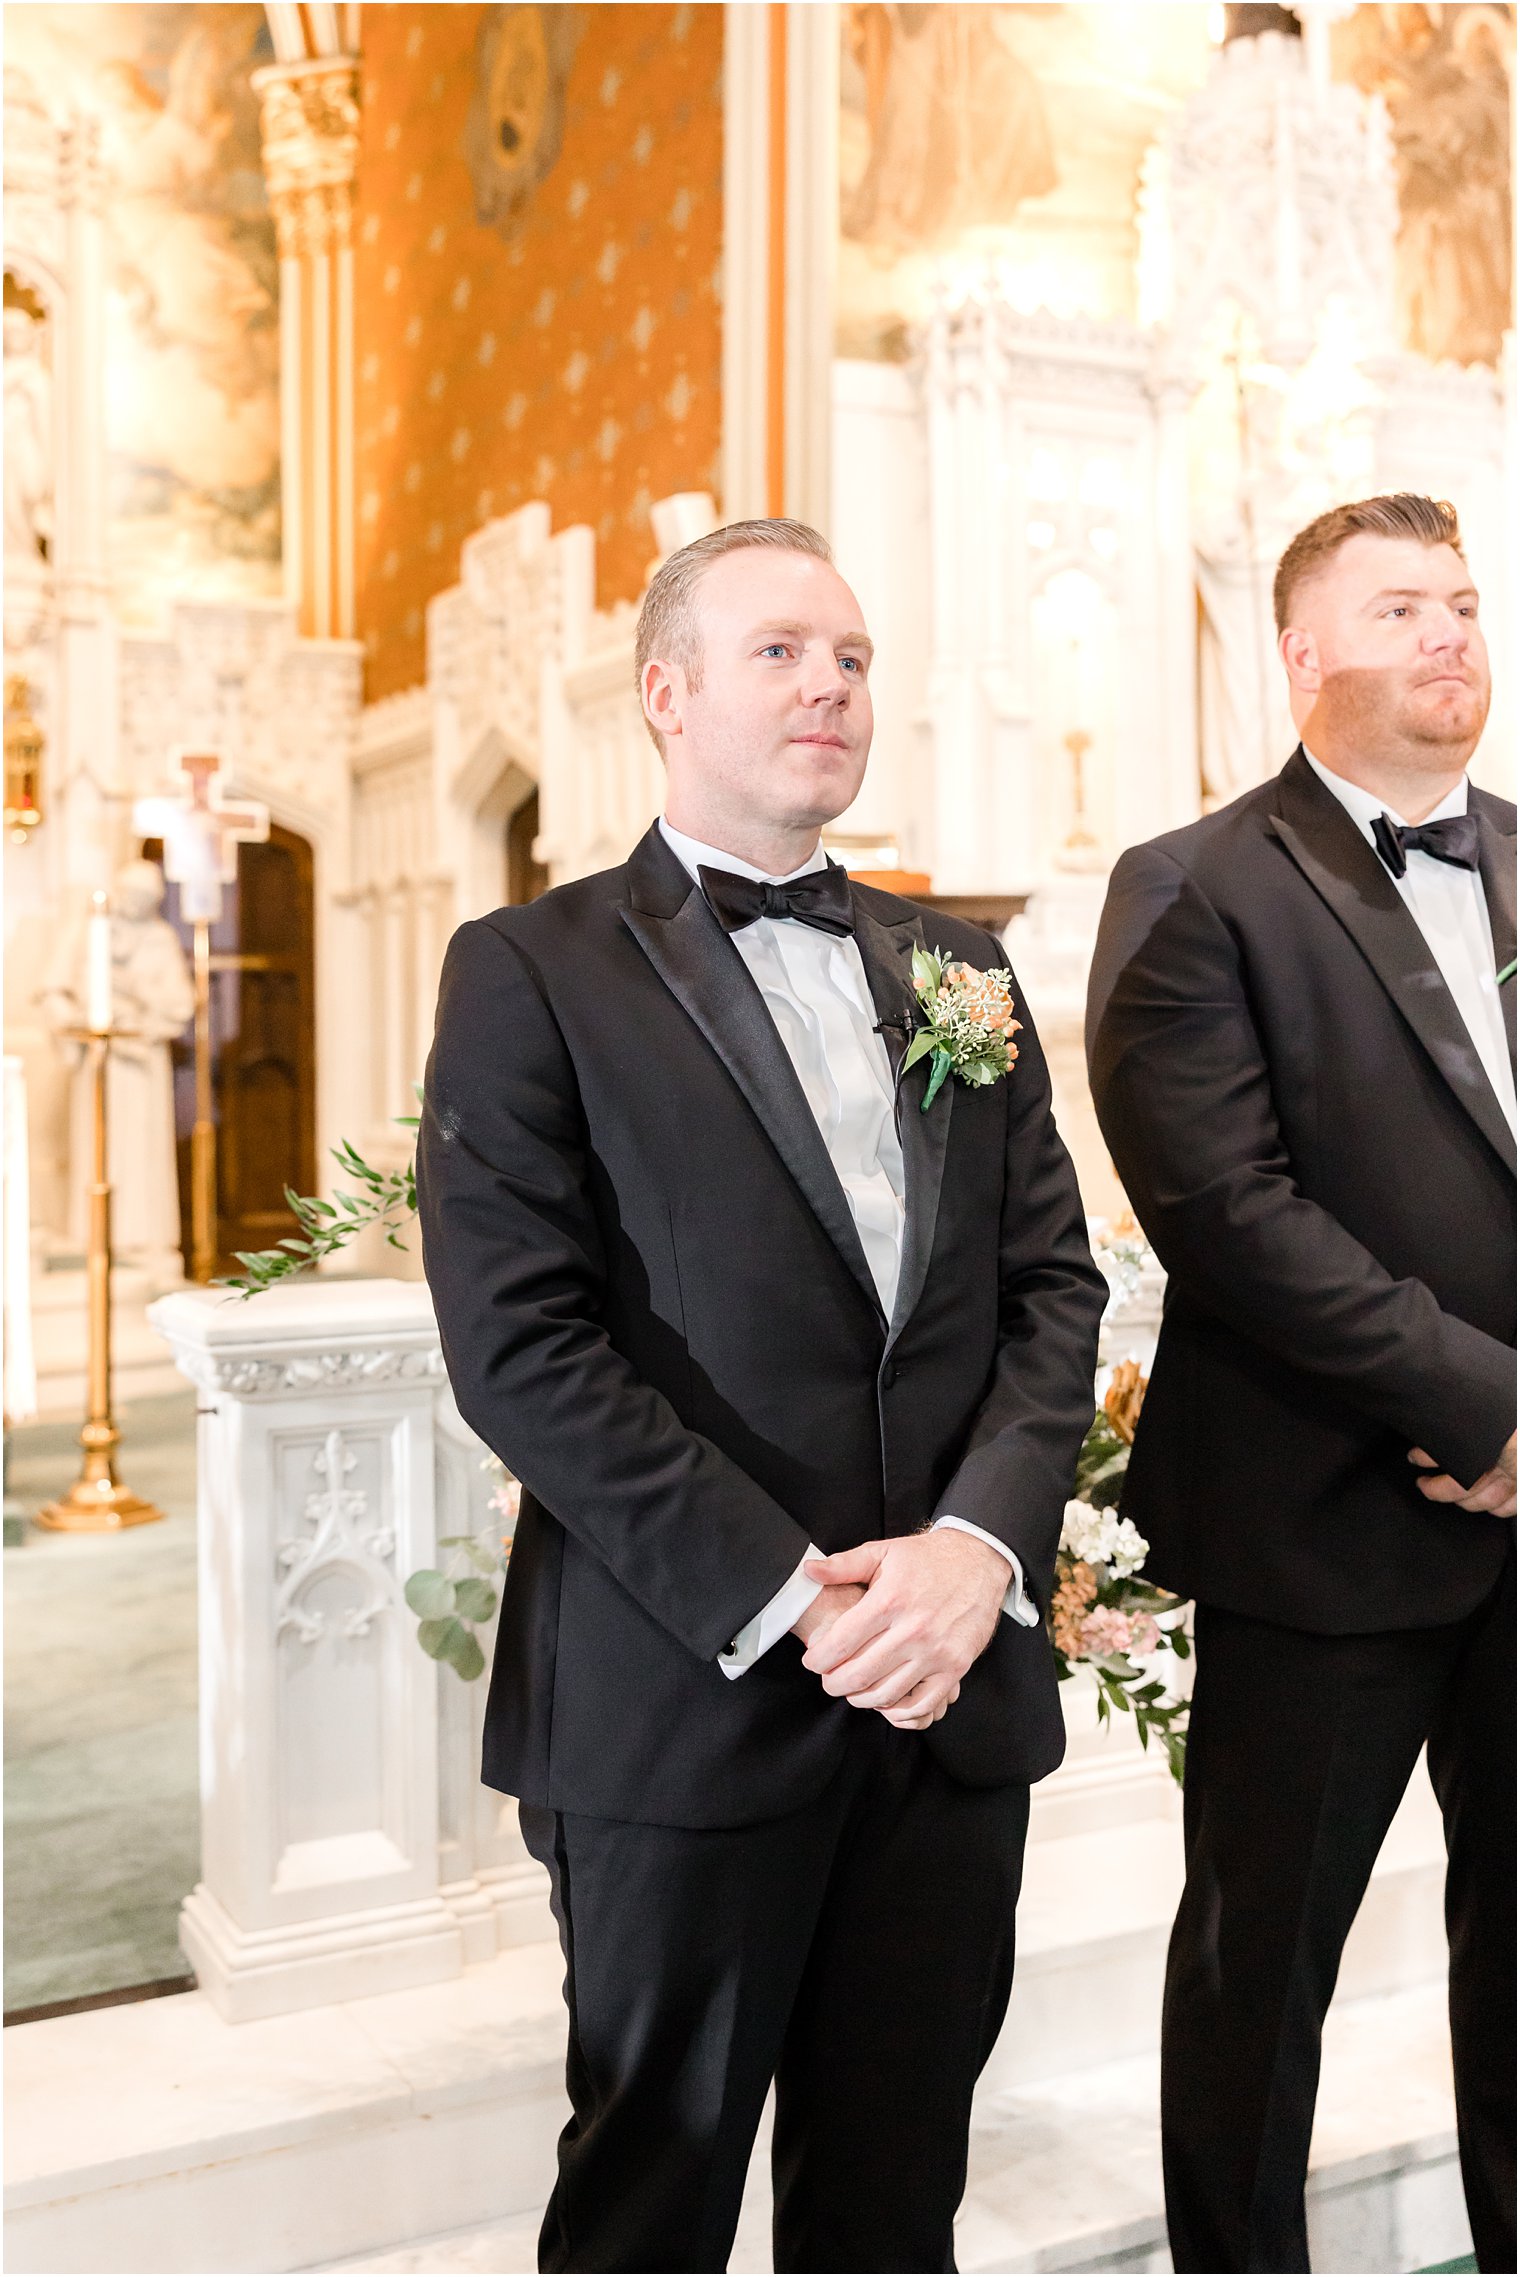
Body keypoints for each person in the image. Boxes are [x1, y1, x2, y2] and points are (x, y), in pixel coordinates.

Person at [418, 518, 1106, 2274]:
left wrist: (974, 1552)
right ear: (667, 693)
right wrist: (793, 1593)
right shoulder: (534, 969)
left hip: (945, 1692)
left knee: (894, 2201)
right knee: (651, 2194)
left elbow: (1052, 1292)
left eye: (855, 657)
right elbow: (523, 1345)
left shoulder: (960, 965)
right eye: (783, 650)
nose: (831, 685)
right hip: (686, 1692)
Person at [1086, 492, 1515, 2274]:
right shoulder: (1197, 885)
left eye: (1467, 604)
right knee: (1263, 1971)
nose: (1449, 635)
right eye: (1402, 606)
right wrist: (1492, 1404)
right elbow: (1227, 1212)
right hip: (1322, 1528)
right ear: (1302, 651)